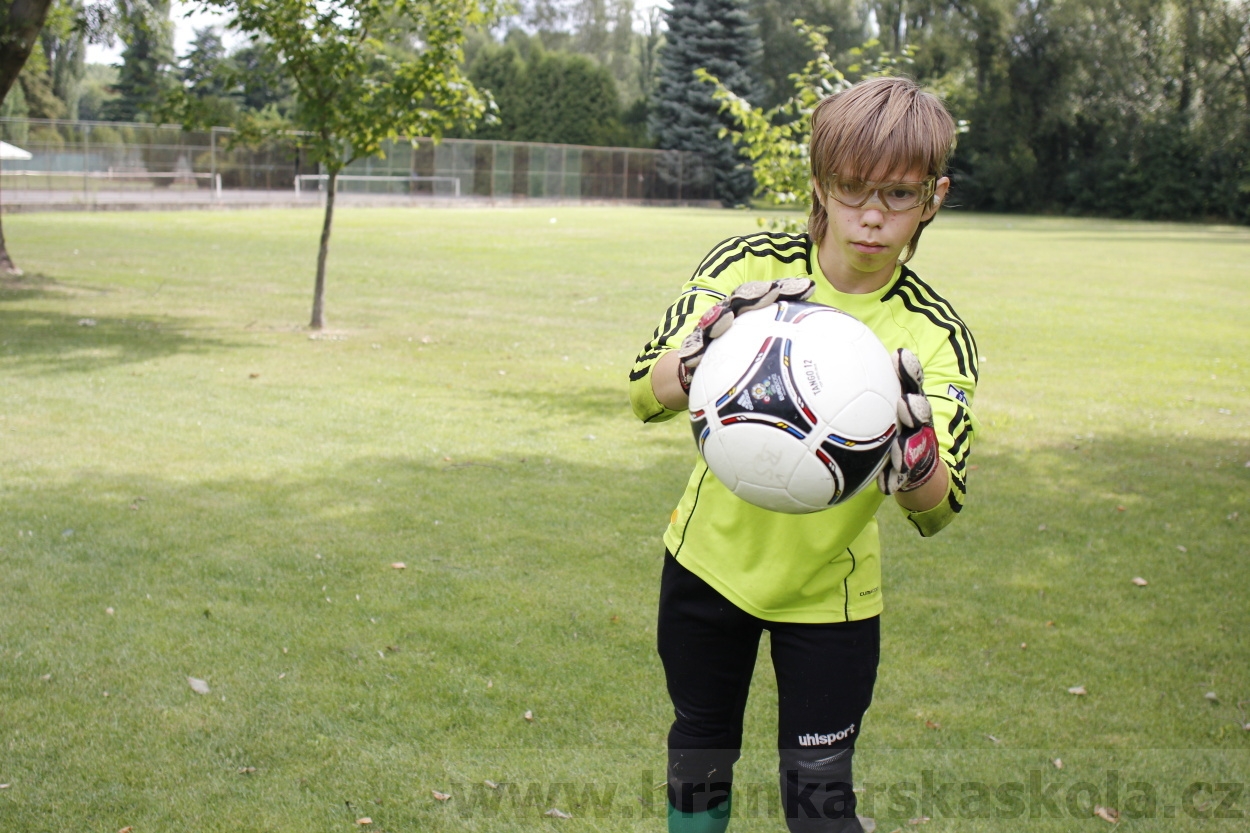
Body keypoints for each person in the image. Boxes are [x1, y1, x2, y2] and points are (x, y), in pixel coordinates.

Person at [628, 76, 978, 833]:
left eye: (899, 194)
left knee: (818, 802)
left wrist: (914, 459)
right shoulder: (747, 267)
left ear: (935, 195)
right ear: (820, 182)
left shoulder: (935, 335)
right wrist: (699, 354)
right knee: (700, 750)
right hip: (707, 564)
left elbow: (938, 509)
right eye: (852, 190)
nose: (873, 216)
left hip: (831, 595)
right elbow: (641, 390)